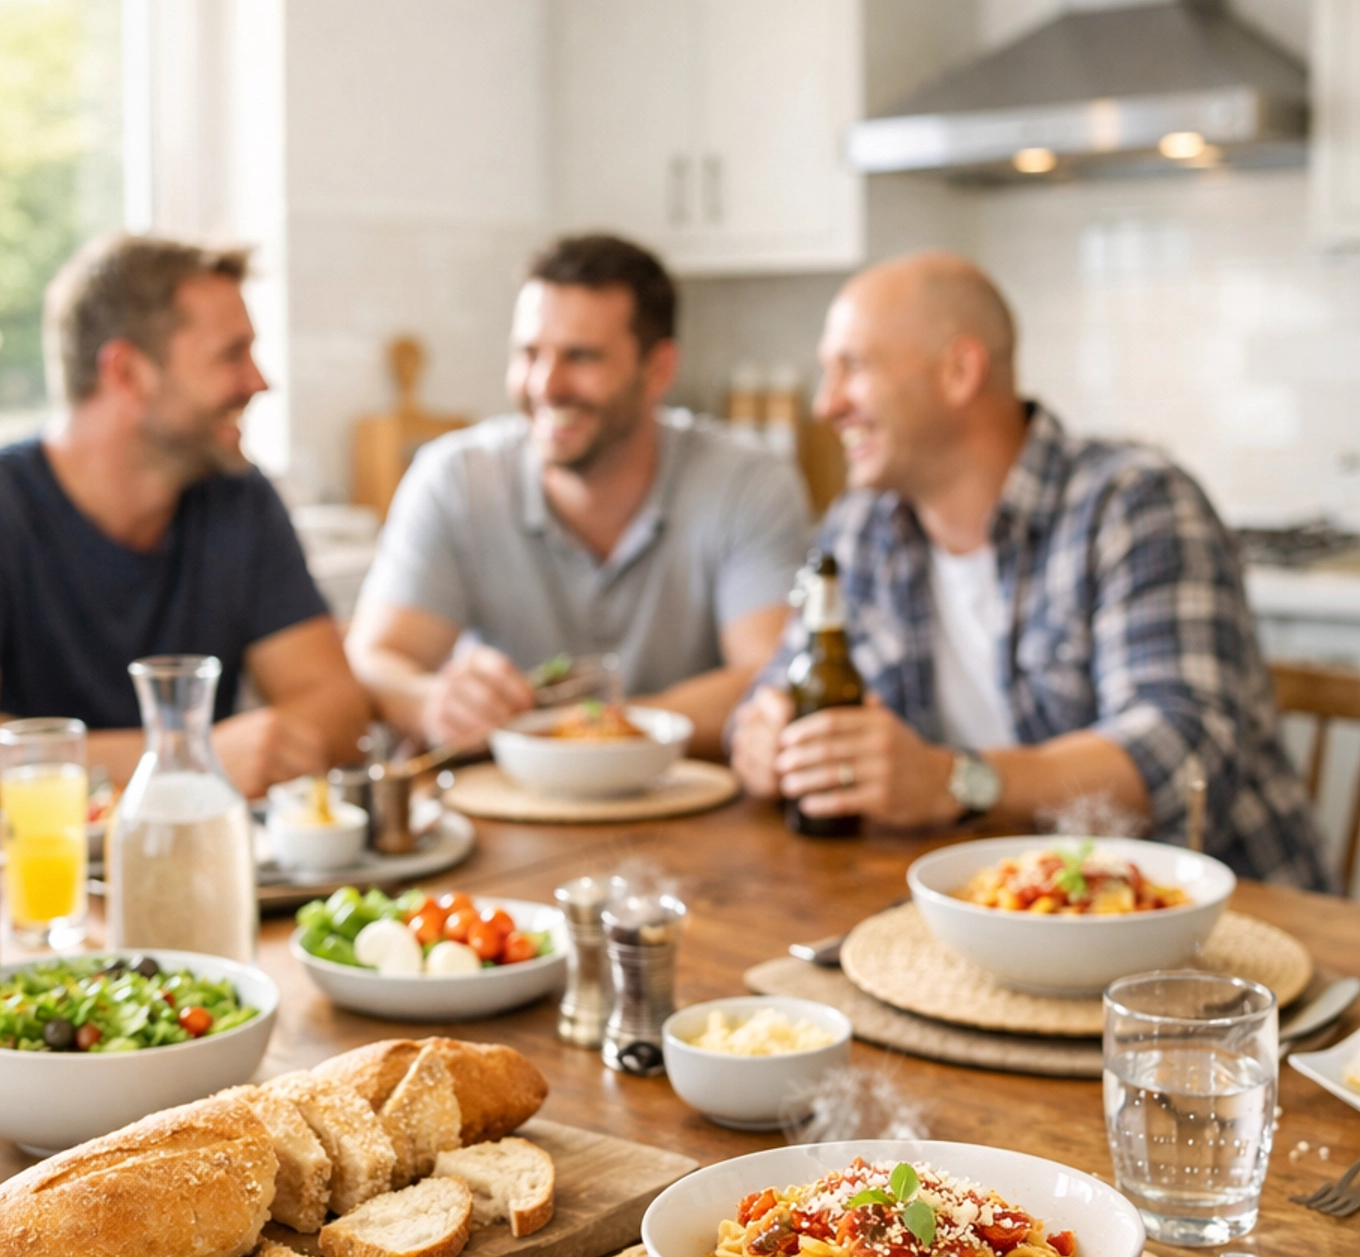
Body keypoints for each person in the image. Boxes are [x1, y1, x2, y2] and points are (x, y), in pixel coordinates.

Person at [730, 250, 1330, 887]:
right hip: (995, 916)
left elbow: (1181, 751)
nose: (826, 405)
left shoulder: (1133, 502)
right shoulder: (859, 528)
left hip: (1215, 930)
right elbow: (768, 695)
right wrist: (764, 740)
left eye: (853, 367)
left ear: (960, 371)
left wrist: (956, 780)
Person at [0, 235, 369, 807]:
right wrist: (181, 758)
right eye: (231, 354)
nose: (259, 381)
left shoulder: (241, 501)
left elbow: (338, 707)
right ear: (126, 372)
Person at [344, 234, 810, 756]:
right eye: (529, 353)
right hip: (501, 808)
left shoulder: (747, 485)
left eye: (581, 357)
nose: (546, 384)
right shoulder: (455, 481)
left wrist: (594, 731)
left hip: (685, 809)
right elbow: (373, 663)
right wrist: (432, 701)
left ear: (658, 370)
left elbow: (772, 676)